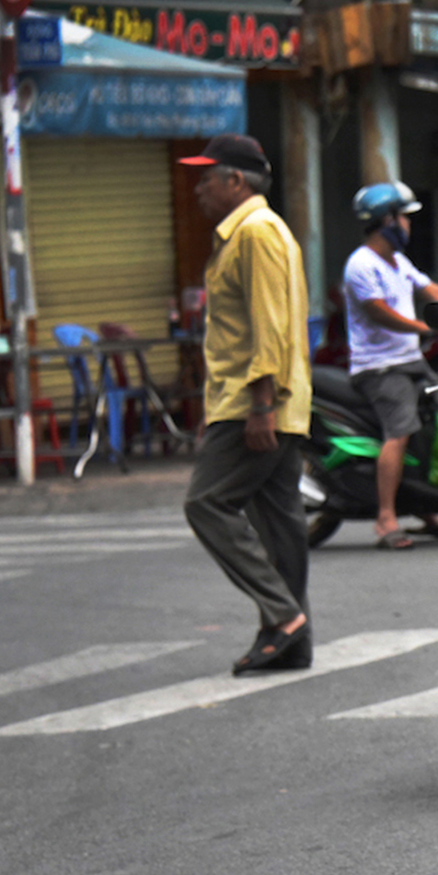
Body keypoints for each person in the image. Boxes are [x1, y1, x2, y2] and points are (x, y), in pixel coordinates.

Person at [178, 134, 314, 675]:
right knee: (279, 524)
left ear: (236, 181)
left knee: (205, 502)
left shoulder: (255, 233)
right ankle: (290, 638)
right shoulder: (252, 233)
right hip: (269, 401)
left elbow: (269, 324)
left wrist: (260, 404)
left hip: (257, 402)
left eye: (207, 177)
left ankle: (282, 616)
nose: (198, 188)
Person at [343, 181, 438, 549]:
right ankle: (386, 517)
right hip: (380, 367)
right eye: (404, 217)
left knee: (437, 422)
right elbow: (378, 312)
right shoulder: (361, 264)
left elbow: (433, 292)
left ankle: (422, 503)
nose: (408, 225)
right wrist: (426, 328)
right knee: (400, 429)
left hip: (410, 359)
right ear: (387, 219)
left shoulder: (398, 262)